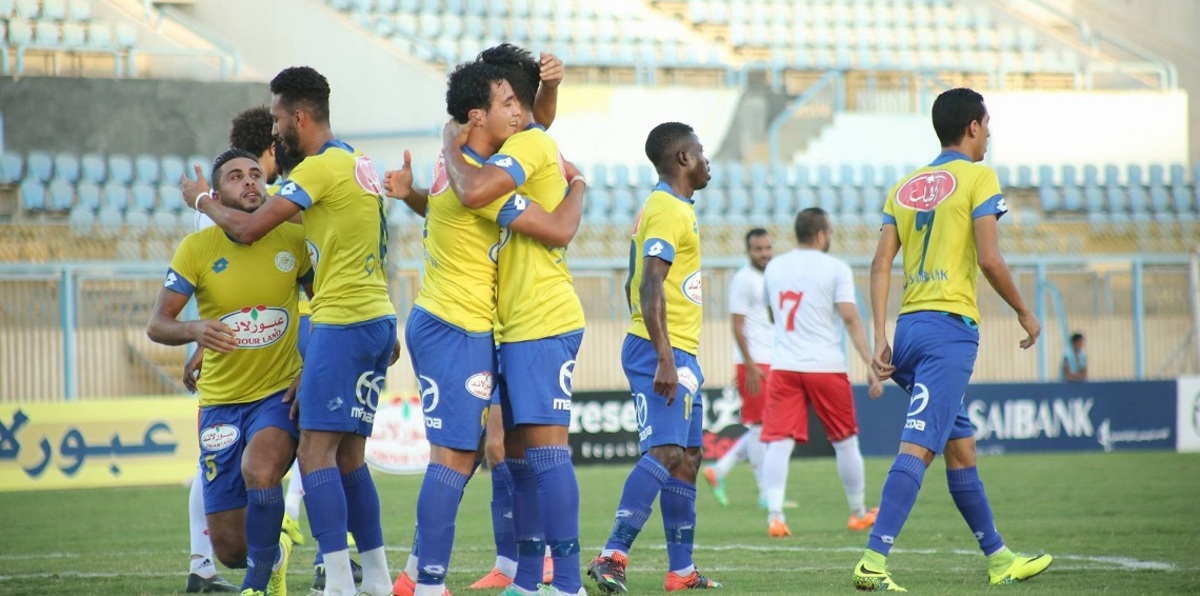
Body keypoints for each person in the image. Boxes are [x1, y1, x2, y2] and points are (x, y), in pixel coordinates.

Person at [182, 66, 400, 596]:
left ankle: (339, 584)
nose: (274, 131)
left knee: (314, 455)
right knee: (348, 457)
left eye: (278, 119)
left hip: (342, 320)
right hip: (373, 317)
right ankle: (374, 577)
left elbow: (251, 227)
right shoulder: (358, 161)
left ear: (298, 116)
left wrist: (200, 199)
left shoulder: (321, 168)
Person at [383, 59, 585, 596]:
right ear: (478, 114)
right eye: (507, 104)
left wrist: (415, 192)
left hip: (479, 325)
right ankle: (426, 584)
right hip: (458, 325)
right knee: (456, 457)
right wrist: (579, 183)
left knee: (496, 451)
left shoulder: (474, 162)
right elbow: (553, 224)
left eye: (520, 101)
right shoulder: (475, 172)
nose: (518, 114)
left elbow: (527, 135)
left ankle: (438, 574)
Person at [853, 87, 1052, 591]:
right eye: (987, 126)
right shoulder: (979, 176)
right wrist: (1026, 312)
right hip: (949, 331)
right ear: (972, 127)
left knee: (960, 448)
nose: (989, 135)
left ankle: (999, 559)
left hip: (910, 328)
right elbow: (989, 259)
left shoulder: (904, 185)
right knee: (919, 445)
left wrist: (880, 335)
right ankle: (873, 563)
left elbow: (880, 263)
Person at [150, 149, 311, 596]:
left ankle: (257, 587)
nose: (250, 182)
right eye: (237, 177)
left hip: (277, 396)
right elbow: (157, 323)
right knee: (230, 548)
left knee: (261, 470)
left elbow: (329, 304)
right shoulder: (196, 249)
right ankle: (270, 556)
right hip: (220, 403)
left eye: (256, 174)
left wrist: (312, 365)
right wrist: (194, 329)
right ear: (218, 192)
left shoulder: (292, 240)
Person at [588, 122, 721, 594]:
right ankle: (612, 556)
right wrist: (665, 357)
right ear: (683, 159)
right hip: (658, 348)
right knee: (664, 452)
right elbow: (649, 283)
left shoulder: (676, 206)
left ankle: (681, 572)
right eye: (701, 152)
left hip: (679, 350)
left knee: (687, 457)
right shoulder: (667, 207)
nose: (707, 161)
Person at [758, 208, 883, 539]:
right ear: (821, 235)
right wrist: (870, 362)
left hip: (784, 366)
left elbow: (773, 312)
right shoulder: (835, 268)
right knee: (844, 440)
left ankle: (775, 515)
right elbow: (851, 318)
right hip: (825, 365)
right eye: (830, 232)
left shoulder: (775, 266)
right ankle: (857, 512)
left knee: (778, 441)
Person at [703, 228, 772, 508]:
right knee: (760, 427)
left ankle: (719, 471)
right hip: (754, 362)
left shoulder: (770, 277)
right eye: (758, 249)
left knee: (767, 426)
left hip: (771, 360)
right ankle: (767, 495)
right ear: (748, 251)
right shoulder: (743, 280)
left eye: (768, 248)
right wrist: (751, 364)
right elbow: (737, 324)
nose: (764, 253)